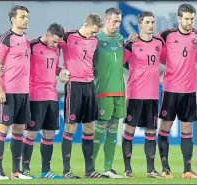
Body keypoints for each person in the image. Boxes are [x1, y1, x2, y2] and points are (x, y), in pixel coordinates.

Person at [156, 3, 197, 179]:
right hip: (170, 89)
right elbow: (157, 55)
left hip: (189, 90)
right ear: (179, 18)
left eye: (192, 19)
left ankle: (187, 170)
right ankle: (165, 168)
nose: (190, 22)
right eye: (187, 18)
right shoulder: (166, 35)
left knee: (187, 128)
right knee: (165, 128)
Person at [60, 13, 106, 179]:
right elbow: (47, 48)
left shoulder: (94, 40)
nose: (93, 35)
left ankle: (90, 171)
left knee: (89, 128)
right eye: (92, 31)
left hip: (89, 86)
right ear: (85, 25)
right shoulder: (68, 37)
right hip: (74, 86)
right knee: (70, 127)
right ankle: (66, 171)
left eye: (96, 33)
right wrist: (59, 71)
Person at [21, 23, 67, 179]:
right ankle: (25, 169)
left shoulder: (57, 49)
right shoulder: (32, 46)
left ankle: (45, 171)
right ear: (47, 34)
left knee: (49, 134)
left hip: (52, 96)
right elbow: (19, 63)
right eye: (54, 41)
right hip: (35, 96)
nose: (55, 45)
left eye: (58, 42)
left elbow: (53, 69)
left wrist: (62, 72)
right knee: (31, 134)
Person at [0, 5, 33, 180]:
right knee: (3, 128)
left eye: (27, 17)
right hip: (8, 92)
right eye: (22, 17)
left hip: (24, 93)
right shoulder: (5, 38)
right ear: (13, 19)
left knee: (18, 130)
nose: (26, 19)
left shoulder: (25, 38)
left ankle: (16, 172)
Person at [122, 11, 164, 179]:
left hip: (153, 96)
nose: (151, 25)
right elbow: (121, 63)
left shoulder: (159, 43)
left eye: (152, 22)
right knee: (129, 131)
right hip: (135, 95)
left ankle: (151, 170)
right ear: (140, 25)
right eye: (147, 22)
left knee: (151, 132)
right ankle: (127, 169)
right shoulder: (131, 44)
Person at [92, 7, 125, 179]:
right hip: (103, 90)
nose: (117, 25)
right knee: (100, 128)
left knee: (113, 129)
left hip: (119, 91)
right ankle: (90, 168)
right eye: (115, 21)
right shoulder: (96, 39)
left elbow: (124, 62)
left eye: (119, 21)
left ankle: (108, 168)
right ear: (106, 20)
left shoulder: (120, 39)